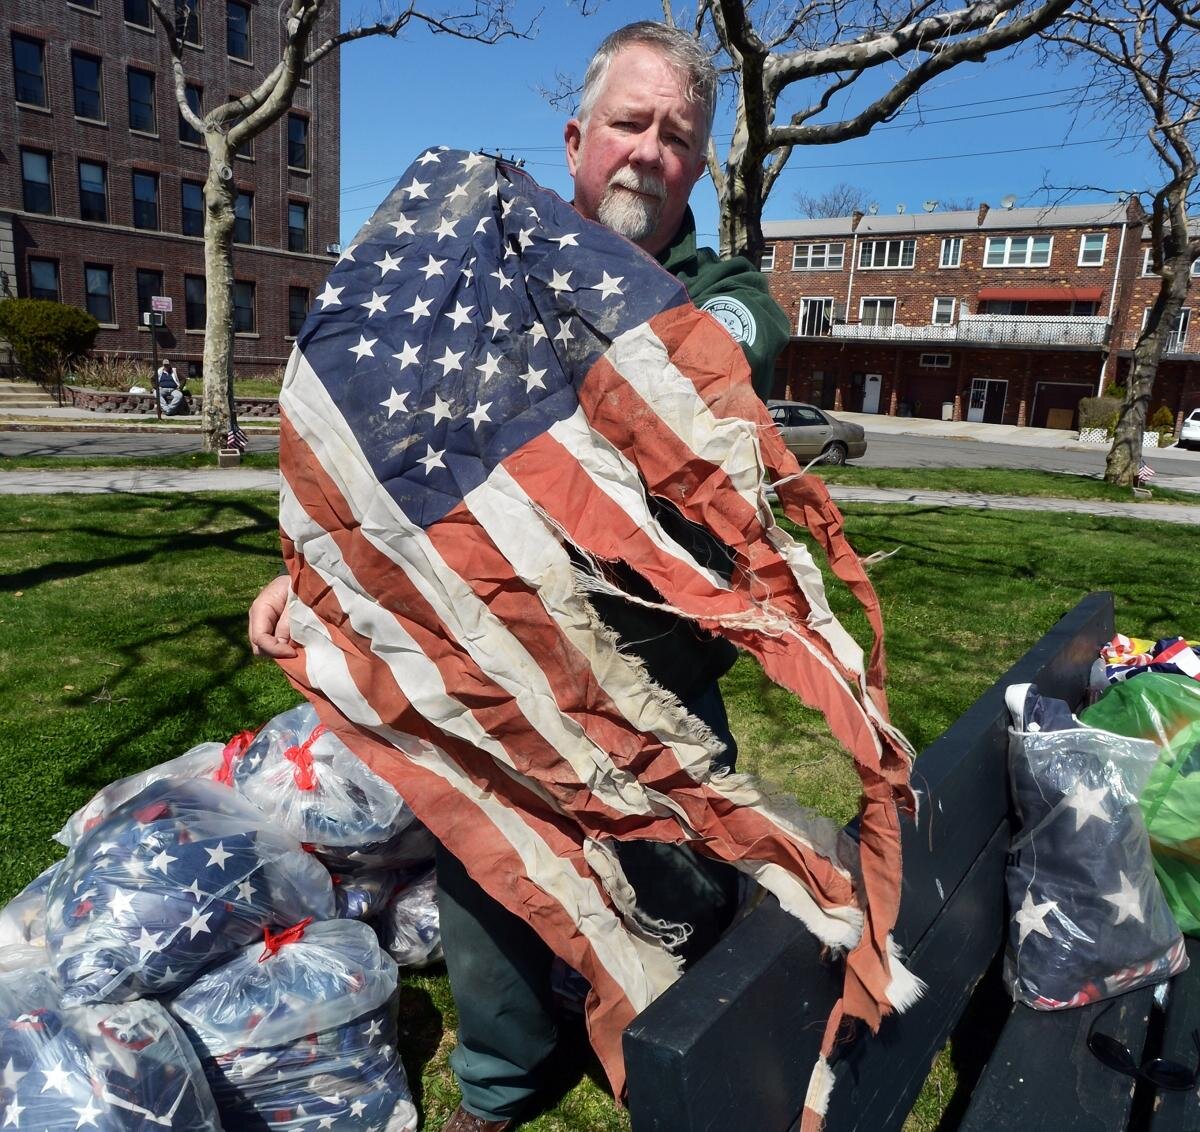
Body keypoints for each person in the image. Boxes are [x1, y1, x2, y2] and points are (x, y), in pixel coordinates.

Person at [249, 22, 789, 1132]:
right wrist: (308, 580)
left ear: (699, 164)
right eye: (629, 123)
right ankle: (500, 1086)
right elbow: (400, 442)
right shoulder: (482, 274)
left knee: (678, 880)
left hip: (653, 668)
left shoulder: (722, 293)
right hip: (502, 642)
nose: (648, 151)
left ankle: (676, 1028)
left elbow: (707, 355)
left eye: (676, 135)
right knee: (487, 866)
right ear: (577, 137)